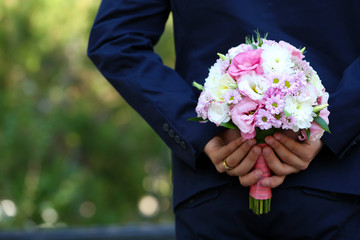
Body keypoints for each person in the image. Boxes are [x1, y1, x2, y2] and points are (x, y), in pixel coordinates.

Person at [88, 1, 360, 239]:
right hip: (335, 187)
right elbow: (116, 40)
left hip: (215, 190)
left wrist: (196, 128)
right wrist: (331, 125)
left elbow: (115, 40)